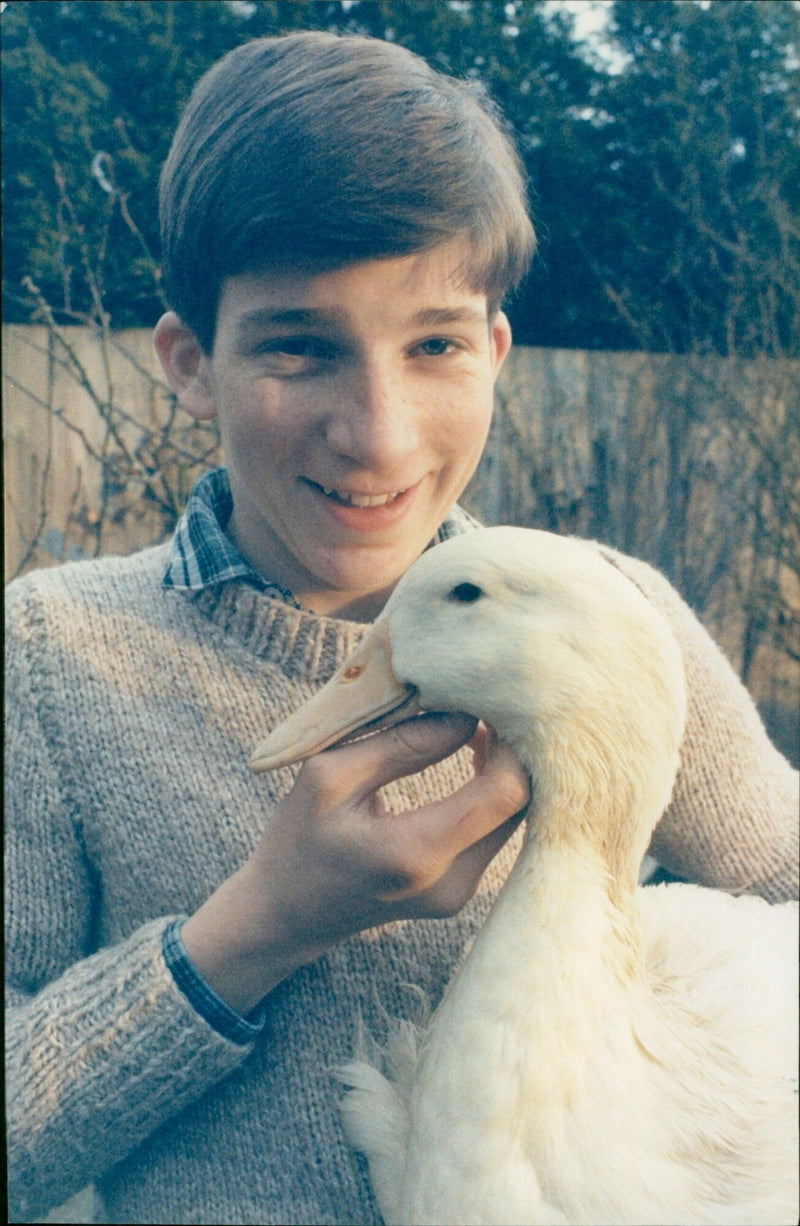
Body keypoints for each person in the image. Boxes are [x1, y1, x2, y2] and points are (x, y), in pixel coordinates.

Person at [5, 30, 797, 1226]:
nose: (376, 434)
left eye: (431, 344)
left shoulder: (605, 616)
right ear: (189, 362)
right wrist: (253, 930)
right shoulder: (48, 658)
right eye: (298, 348)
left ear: (493, 351)